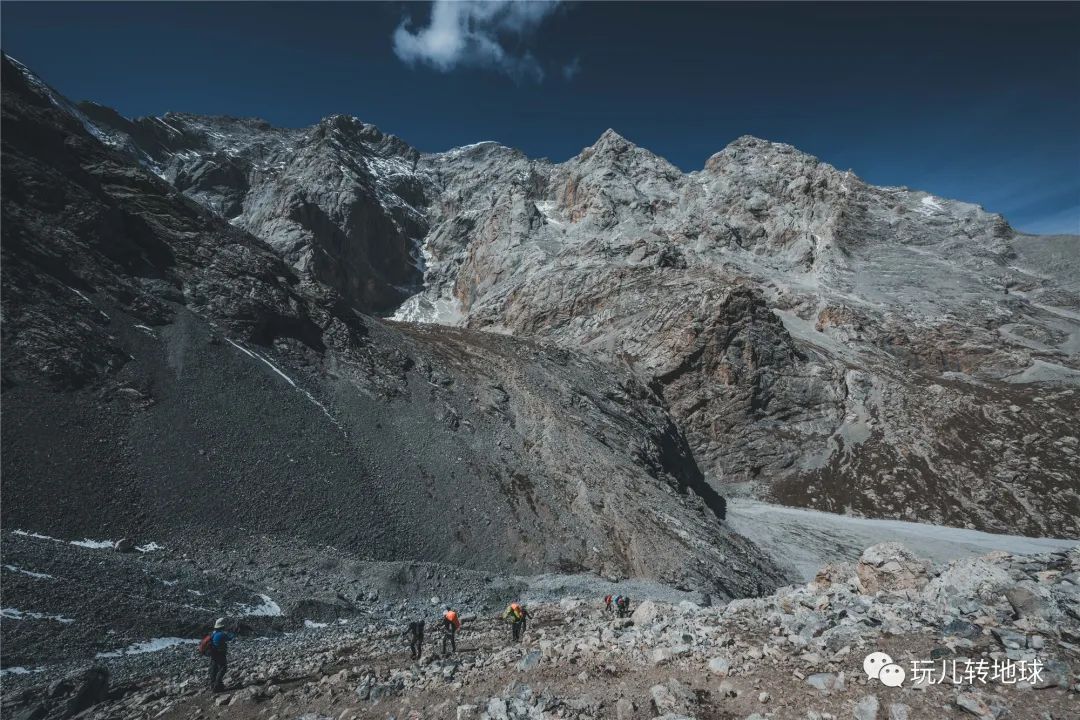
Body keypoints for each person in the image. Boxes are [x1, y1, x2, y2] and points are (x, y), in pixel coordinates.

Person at [205, 618, 236, 692]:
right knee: (223, 668)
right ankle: (217, 685)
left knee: (214, 669)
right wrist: (234, 632)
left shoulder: (213, 633)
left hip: (213, 654)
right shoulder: (221, 634)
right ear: (222, 627)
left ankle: (213, 685)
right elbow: (230, 638)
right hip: (220, 654)